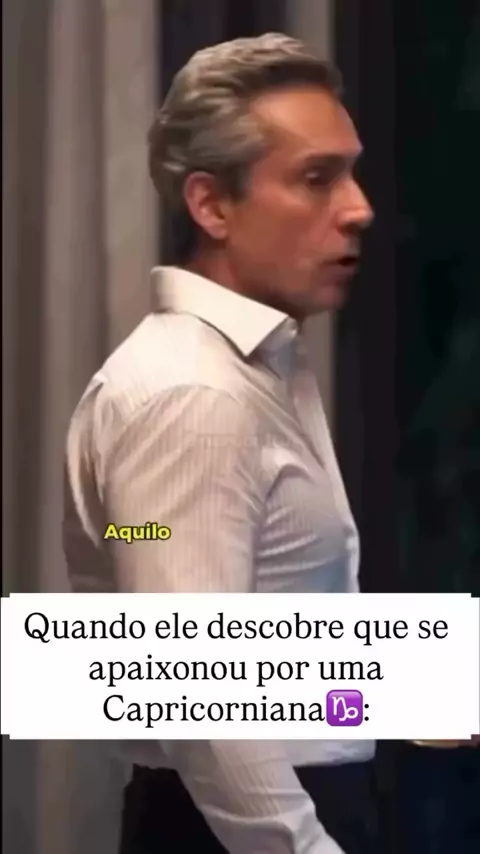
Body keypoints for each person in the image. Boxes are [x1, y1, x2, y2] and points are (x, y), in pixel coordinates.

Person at [63, 33, 378, 854]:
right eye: (317, 178)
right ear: (212, 206)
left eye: (351, 172)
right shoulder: (194, 396)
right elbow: (196, 690)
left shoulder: (248, 370)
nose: (359, 207)